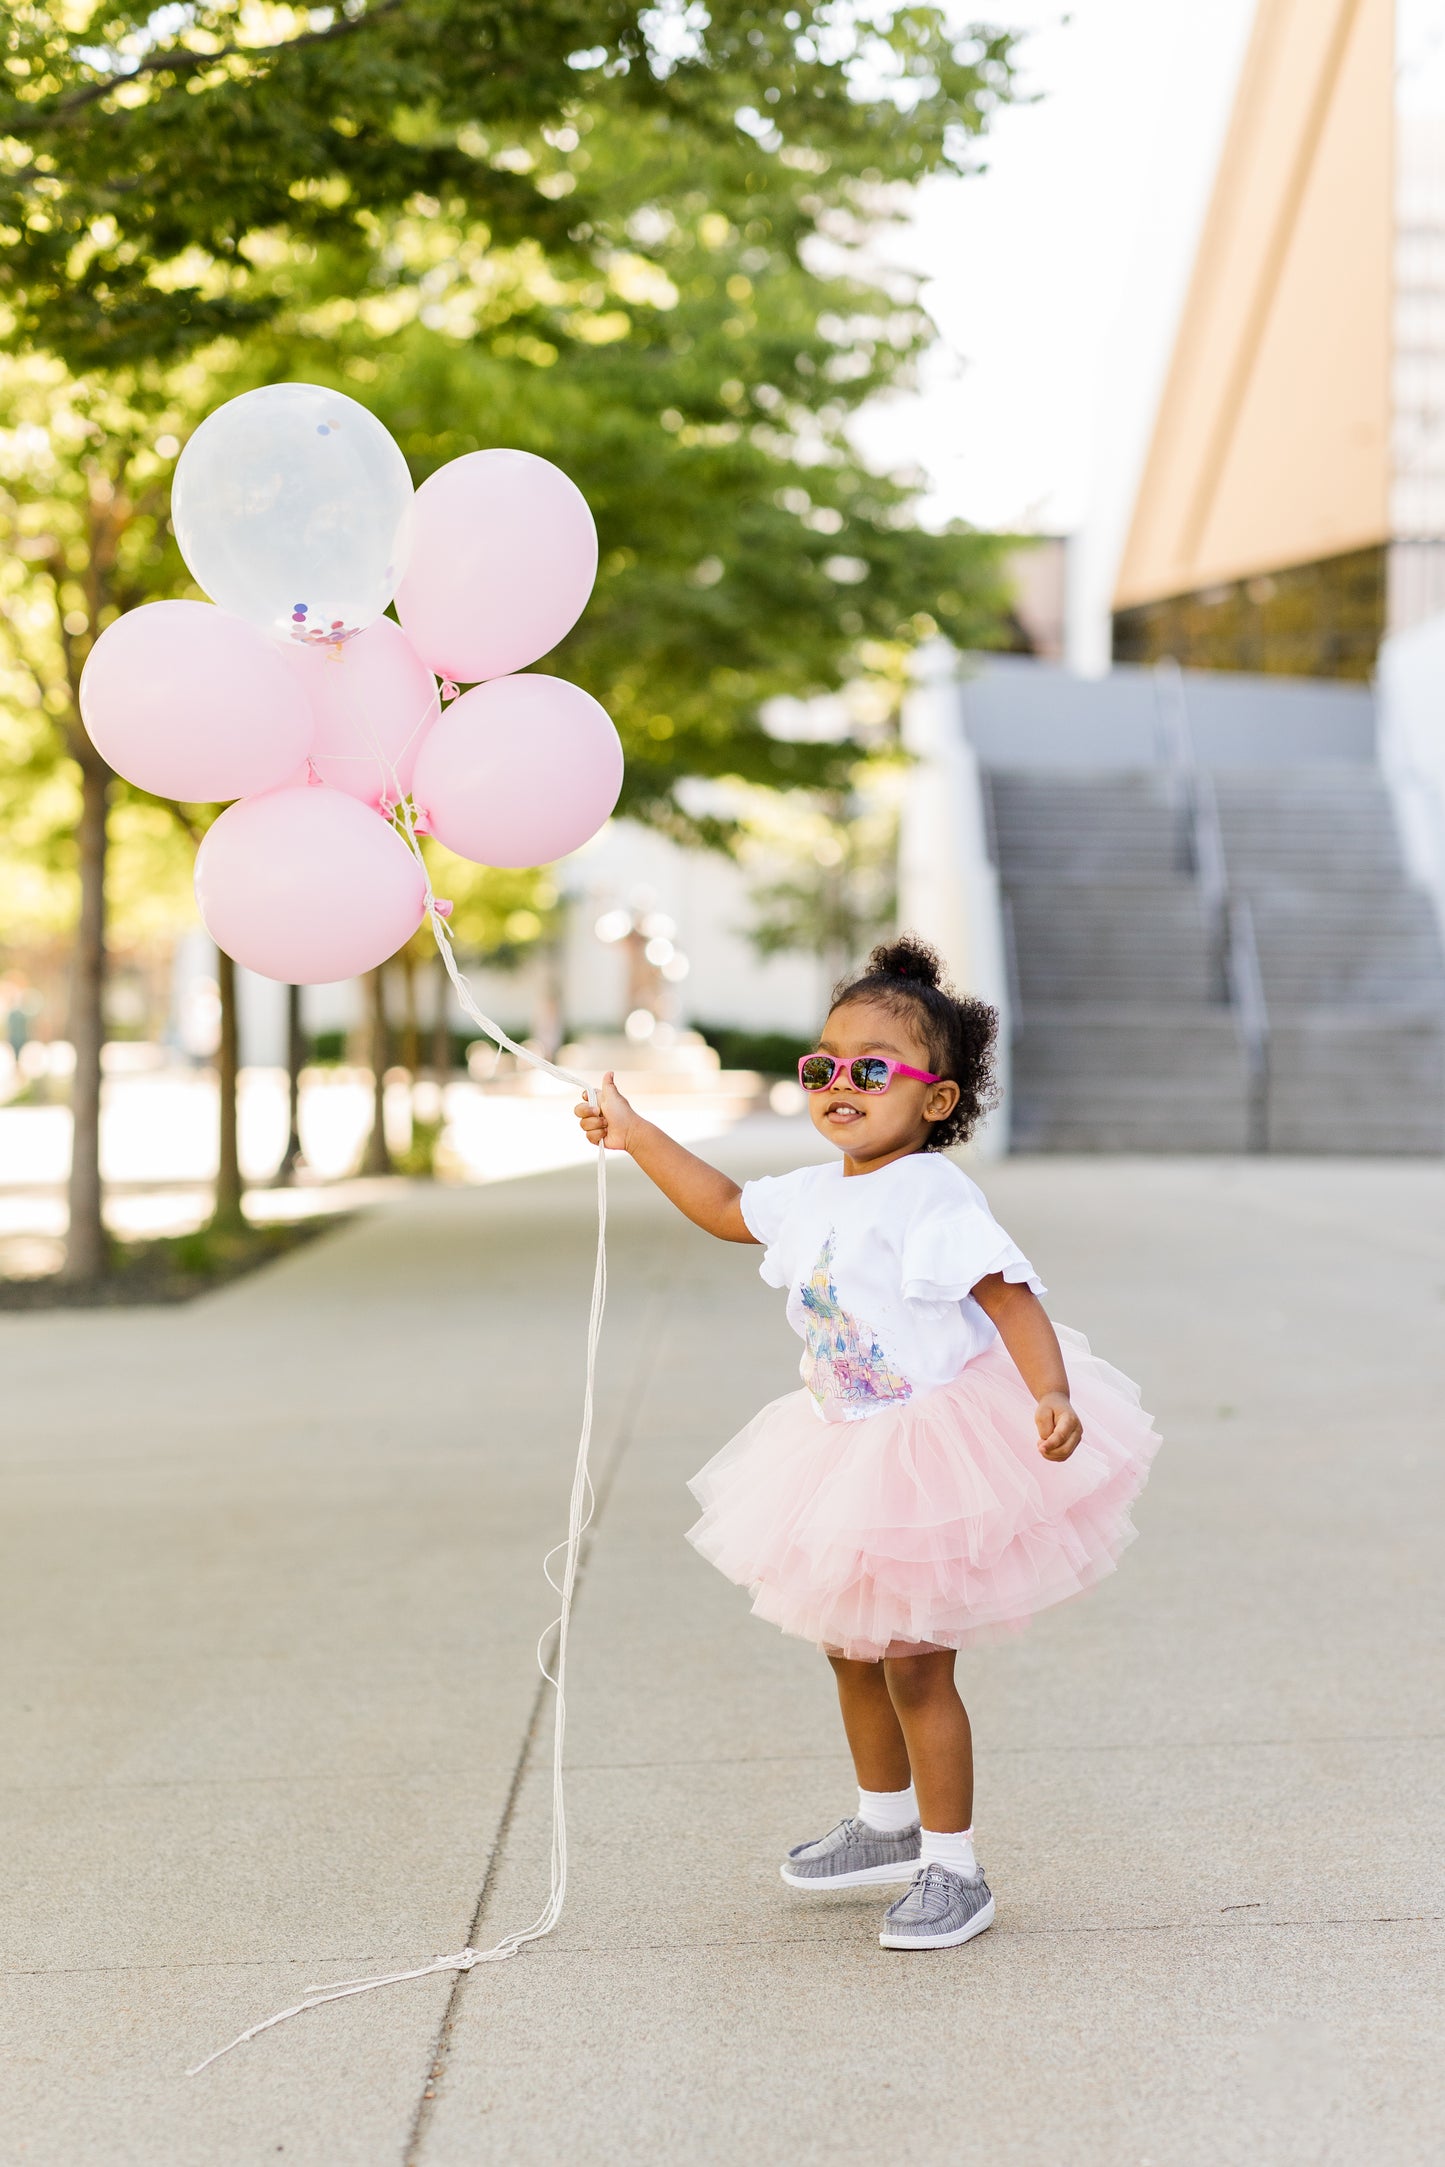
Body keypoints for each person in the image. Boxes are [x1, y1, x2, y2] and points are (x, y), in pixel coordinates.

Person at [574, 935, 1160, 1952]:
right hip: (841, 1442)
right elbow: (720, 1206)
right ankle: (883, 1823)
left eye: (873, 1068)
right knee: (850, 1649)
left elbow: (1004, 1294)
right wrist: (633, 1132)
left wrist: (1050, 1392)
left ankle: (953, 1867)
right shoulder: (812, 1189)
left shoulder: (929, 1193)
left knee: (918, 1667)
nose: (841, 1084)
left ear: (934, 1100)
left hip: (927, 1451)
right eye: (825, 1065)